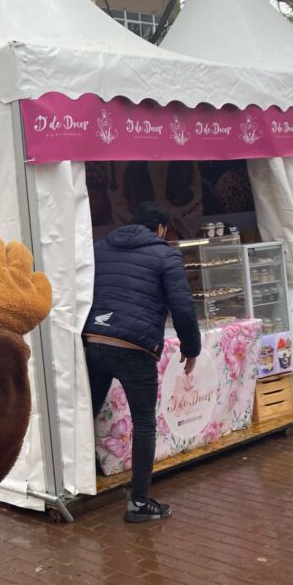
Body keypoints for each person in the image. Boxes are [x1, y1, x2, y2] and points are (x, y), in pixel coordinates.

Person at [83, 201, 200, 523]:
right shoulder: (166, 254)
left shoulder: (99, 249)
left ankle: (75, 480)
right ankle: (139, 503)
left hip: (94, 340)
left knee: (85, 413)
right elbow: (183, 306)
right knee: (144, 423)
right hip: (135, 346)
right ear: (161, 228)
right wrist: (192, 348)